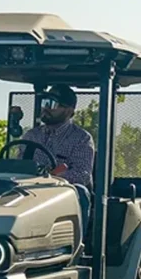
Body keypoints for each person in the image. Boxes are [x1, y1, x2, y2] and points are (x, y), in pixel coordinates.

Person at [11, 85, 95, 225]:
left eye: (51, 104)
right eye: (44, 103)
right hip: (30, 190)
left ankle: (79, 243)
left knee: (81, 191)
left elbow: (82, 174)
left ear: (68, 110)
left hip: (62, 193)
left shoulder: (81, 138)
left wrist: (50, 178)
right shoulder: (32, 135)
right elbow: (20, 165)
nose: (45, 108)